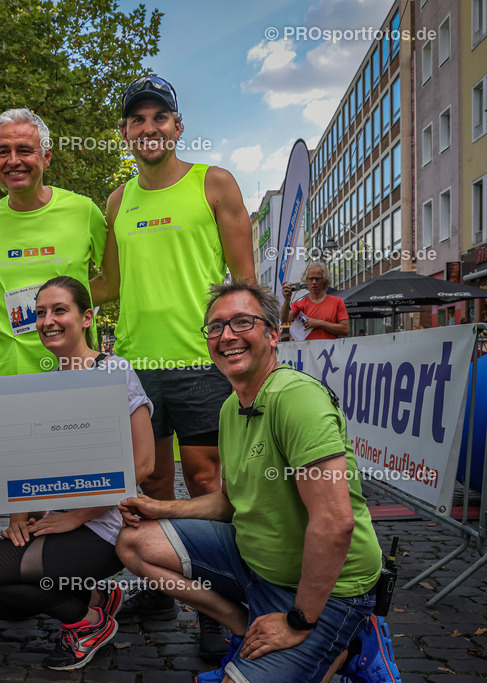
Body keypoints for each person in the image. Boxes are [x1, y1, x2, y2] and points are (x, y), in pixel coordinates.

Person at [116, 280, 401, 683]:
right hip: (255, 565)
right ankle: (245, 626)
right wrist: (159, 508)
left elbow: (335, 523)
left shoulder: (296, 398)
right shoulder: (232, 405)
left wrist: (298, 621)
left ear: (272, 333)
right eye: (215, 327)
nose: (226, 335)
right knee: (134, 542)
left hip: (329, 590)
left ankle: (349, 637)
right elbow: (230, 503)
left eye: (241, 323)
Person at [89, 75, 254, 657]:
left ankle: (217, 602)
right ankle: (159, 589)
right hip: (137, 366)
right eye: (137, 120)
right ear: (126, 133)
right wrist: (43, 287)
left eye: (160, 118)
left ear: (178, 127)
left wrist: (245, 352)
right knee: (151, 483)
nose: (149, 128)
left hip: (203, 363)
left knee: (210, 483)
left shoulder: (214, 184)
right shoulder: (117, 200)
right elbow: (108, 284)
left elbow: (245, 281)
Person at [0, 276, 155, 670]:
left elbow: (145, 463)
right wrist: (18, 520)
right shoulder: (46, 384)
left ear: (86, 317)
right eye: (40, 313)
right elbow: (29, 465)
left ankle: (89, 624)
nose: (47, 321)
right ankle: (96, 599)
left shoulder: (114, 370)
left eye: (59, 310)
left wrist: (77, 516)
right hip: (64, 523)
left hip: (107, 524)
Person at [0, 108, 107, 377]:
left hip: (77, 369)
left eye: (24, 150)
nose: (13, 161)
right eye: (3, 151)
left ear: (46, 157)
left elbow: (114, 282)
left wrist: (64, 308)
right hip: (11, 375)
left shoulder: (84, 210)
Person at [280, 262, 349, 340]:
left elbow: (345, 330)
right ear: (306, 281)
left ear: (324, 280)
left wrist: (320, 323)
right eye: (311, 279)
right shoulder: (299, 304)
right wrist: (287, 301)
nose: (314, 282)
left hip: (330, 351)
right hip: (307, 351)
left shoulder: (337, 302)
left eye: (317, 278)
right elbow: (284, 319)